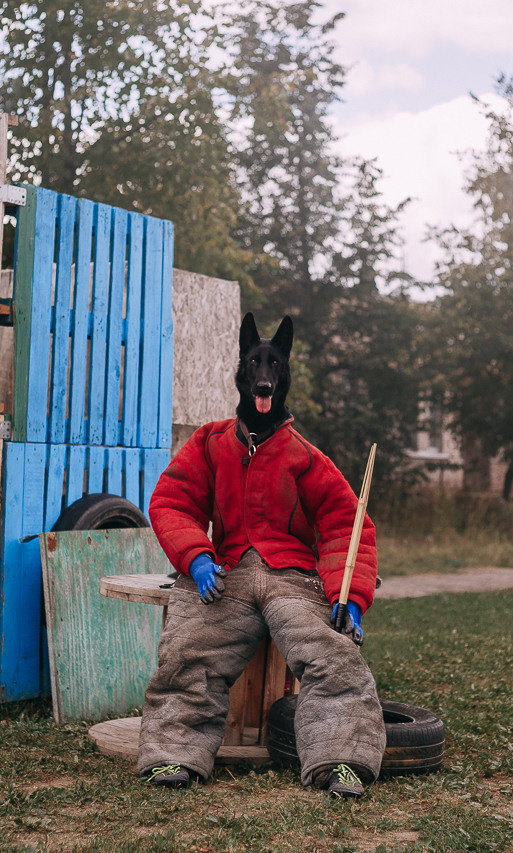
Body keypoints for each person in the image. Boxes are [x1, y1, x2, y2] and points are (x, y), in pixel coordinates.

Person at [136, 313, 386, 798]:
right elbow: (172, 502)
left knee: (332, 654)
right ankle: (171, 757)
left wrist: (350, 596)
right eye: (255, 364)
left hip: (292, 577)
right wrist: (197, 558)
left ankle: (342, 763)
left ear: (283, 372)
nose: (264, 375)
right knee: (188, 653)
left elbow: (346, 525)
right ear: (244, 372)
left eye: (273, 365)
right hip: (223, 573)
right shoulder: (210, 443)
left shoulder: (306, 457)